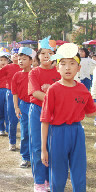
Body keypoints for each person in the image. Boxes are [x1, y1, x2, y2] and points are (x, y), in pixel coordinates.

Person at [41, 43, 96, 191]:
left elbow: (91, 111)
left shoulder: (83, 89)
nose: (67, 67)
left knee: (79, 173)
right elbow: (45, 120)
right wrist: (43, 149)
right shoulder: (53, 90)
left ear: (79, 68)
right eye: (63, 63)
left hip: (77, 132)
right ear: (57, 68)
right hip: (57, 133)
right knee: (58, 175)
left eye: (72, 63)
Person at [28, 36, 61, 191]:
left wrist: (50, 91)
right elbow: (35, 92)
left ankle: (51, 179)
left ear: (54, 55)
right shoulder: (34, 72)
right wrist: (52, 96)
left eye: (50, 53)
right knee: (37, 146)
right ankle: (40, 181)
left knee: (53, 145)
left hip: (56, 112)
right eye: (43, 53)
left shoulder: (60, 72)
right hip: (38, 112)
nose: (46, 56)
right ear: (38, 55)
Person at [12, 47, 36, 168]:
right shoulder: (16, 75)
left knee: (36, 133)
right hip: (23, 105)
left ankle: (36, 157)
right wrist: (16, 107)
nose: (21, 61)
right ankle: (25, 157)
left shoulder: (36, 73)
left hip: (36, 105)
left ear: (31, 61)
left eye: (24, 59)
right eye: (20, 59)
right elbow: (14, 93)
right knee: (25, 132)